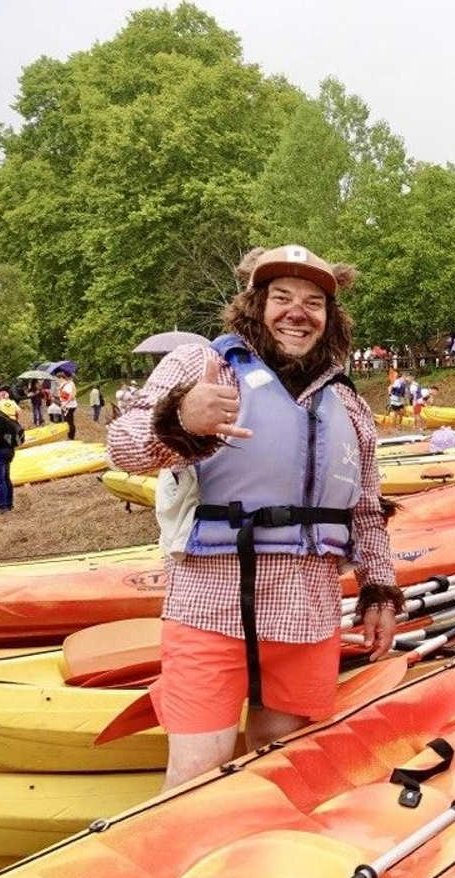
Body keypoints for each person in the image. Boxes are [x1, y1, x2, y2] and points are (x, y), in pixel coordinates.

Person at [108, 244, 401, 792]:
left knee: (279, 776)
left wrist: (380, 589)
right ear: (255, 304)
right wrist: (179, 419)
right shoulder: (203, 365)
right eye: (282, 297)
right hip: (212, 606)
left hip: (307, 614)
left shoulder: (349, 403)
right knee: (196, 779)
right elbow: (122, 448)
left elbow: (364, 507)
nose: (298, 312)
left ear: (330, 319)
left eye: (314, 302)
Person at [55, 371, 78, 440]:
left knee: (69, 421)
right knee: (67, 421)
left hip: (70, 406)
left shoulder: (68, 385)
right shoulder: (63, 385)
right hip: (66, 406)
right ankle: (69, 436)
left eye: (57, 379)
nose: (57, 381)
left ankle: (71, 437)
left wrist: (65, 404)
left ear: (61, 378)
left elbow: (71, 396)